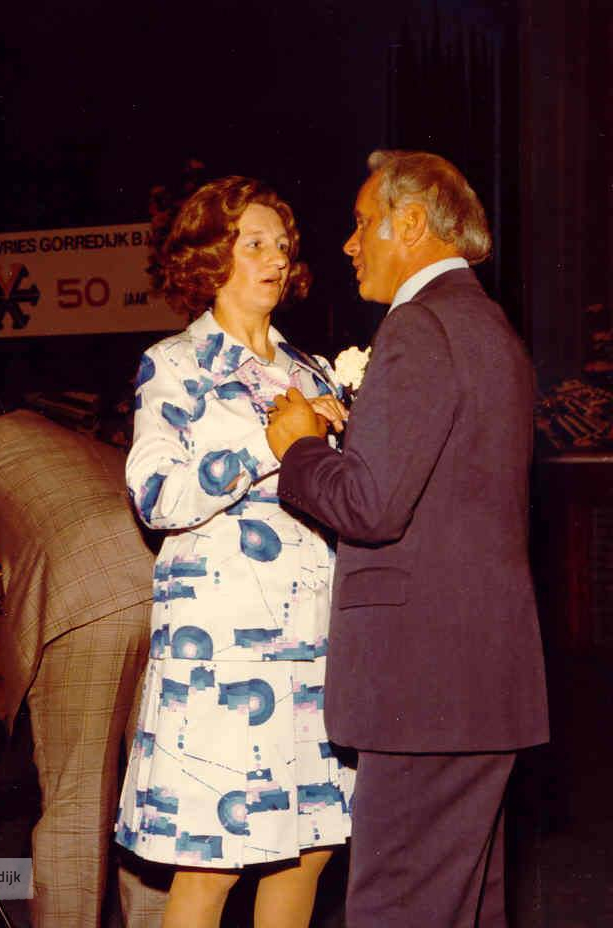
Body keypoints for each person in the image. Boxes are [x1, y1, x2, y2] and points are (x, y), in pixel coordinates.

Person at [266, 150, 549, 927]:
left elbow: (371, 506)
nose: (350, 243)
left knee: (396, 908)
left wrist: (299, 446)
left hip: (422, 690)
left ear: (412, 223)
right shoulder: (490, 328)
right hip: (480, 685)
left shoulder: (418, 325)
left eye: (363, 224)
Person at [115, 176, 354, 928]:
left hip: (315, 641)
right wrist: (270, 442)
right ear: (209, 258)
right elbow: (157, 496)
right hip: (220, 651)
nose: (275, 259)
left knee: (308, 849)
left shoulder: (310, 370)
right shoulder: (175, 363)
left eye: (281, 245)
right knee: (211, 863)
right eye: (253, 244)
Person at [0, 410, 168, 927]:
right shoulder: (96, 452)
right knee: (150, 805)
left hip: (84, 608)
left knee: (77, 807)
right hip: (170, 598)